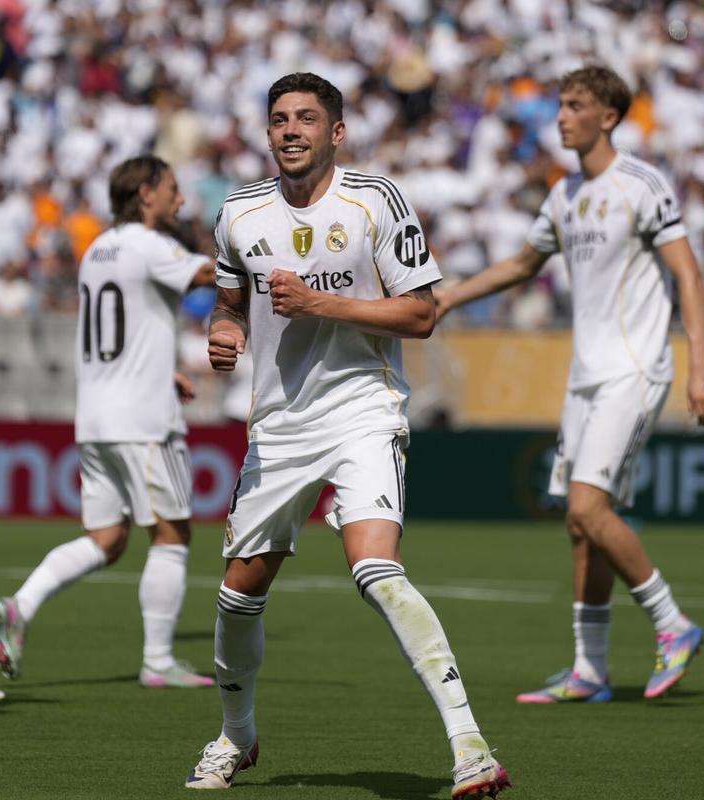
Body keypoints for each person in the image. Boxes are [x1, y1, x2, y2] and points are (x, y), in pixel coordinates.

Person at [185, 73, 511, 798]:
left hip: (363, 408)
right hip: (279, 424)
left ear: (337, 133)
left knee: (374, 569)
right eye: (278, 120)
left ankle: (470, 745)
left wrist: (318, 302)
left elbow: (422, 314)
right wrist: (225, 333)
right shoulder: (239, 212)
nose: (290, 130)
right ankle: (236, 736)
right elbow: (229, 303)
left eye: (306, 118)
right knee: (239, 594)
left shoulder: (374, 201)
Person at [436, 65, 704, 703]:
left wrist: (701, 366)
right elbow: (521, 262)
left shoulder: (642, 183)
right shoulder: (564, 194)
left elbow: (690, 277)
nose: (560, 117)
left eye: (573, 106)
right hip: (586, 377)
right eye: (560, 105)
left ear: (609, 117)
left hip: (635, 368)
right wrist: (452, 298)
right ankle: (589, 670)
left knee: (590, 509)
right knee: (578, 524)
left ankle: (673, 626)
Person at [0, 155, 216, 688]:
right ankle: (158, 660)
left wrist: (167, 370)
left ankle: (22, 603)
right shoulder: (150, 244)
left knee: (108, 537)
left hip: (95, 413)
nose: (180, 200)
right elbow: (210, 275)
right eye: (173, 189)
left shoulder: (98, 249)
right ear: (144, 193)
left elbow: (125, 325)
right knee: (171, 531)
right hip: (142, 417)